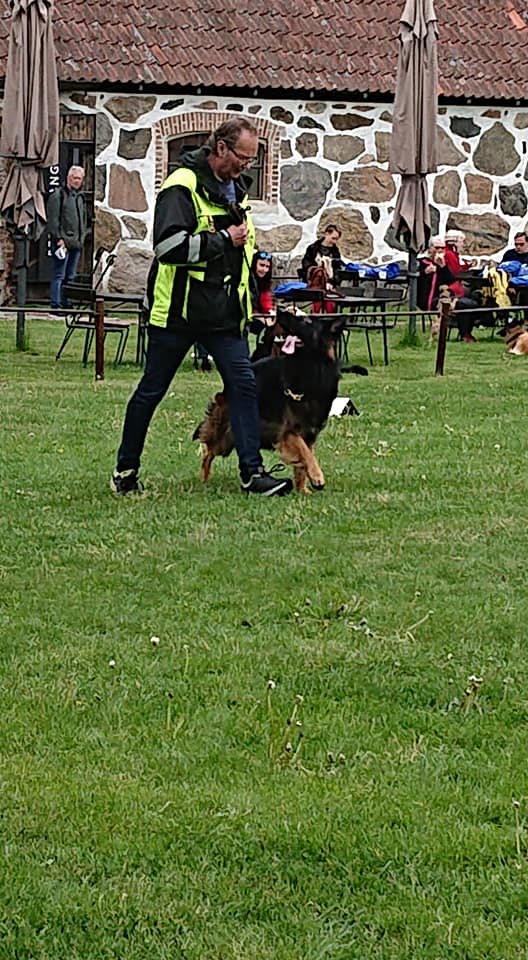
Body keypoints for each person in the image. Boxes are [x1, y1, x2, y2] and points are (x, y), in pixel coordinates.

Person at [111, 117, 292, 497]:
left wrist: (250, 303)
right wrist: (224, 238)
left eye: (253, 159)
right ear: (220, 148)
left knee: (244, 386)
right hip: (178, 313)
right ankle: (125, 471)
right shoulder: (182, 185)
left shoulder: (237, 191)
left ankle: (253, 474)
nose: (248, 165)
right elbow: (168, 247)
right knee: (151, 391)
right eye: (243, 157)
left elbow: (242, 256)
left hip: (223, 315)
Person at [47, 165, 87, 310]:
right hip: (62, 242)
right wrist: (58, 238)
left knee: (70, 275)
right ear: (69, 178)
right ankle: (56, 303)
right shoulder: (58, 195)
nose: (77, 181)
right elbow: (53, 221)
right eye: (75, 178)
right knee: (59, 274)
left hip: (76, 243)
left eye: (80, 179)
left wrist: (82, 238)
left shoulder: (80, 197)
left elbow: (83, 219)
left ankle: (66, 302)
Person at [443, 229, 480, 342]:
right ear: (454, 242)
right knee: (472, 302)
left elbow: (456, 269)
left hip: (455, 287)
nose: (463, 245)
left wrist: (467, 266)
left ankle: (468, 330)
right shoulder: (449, 254)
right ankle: (466, 333)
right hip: (452, 290)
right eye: (461, 242)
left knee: (477, 296)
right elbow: (456, 273)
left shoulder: (452, 254)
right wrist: (467, 269)